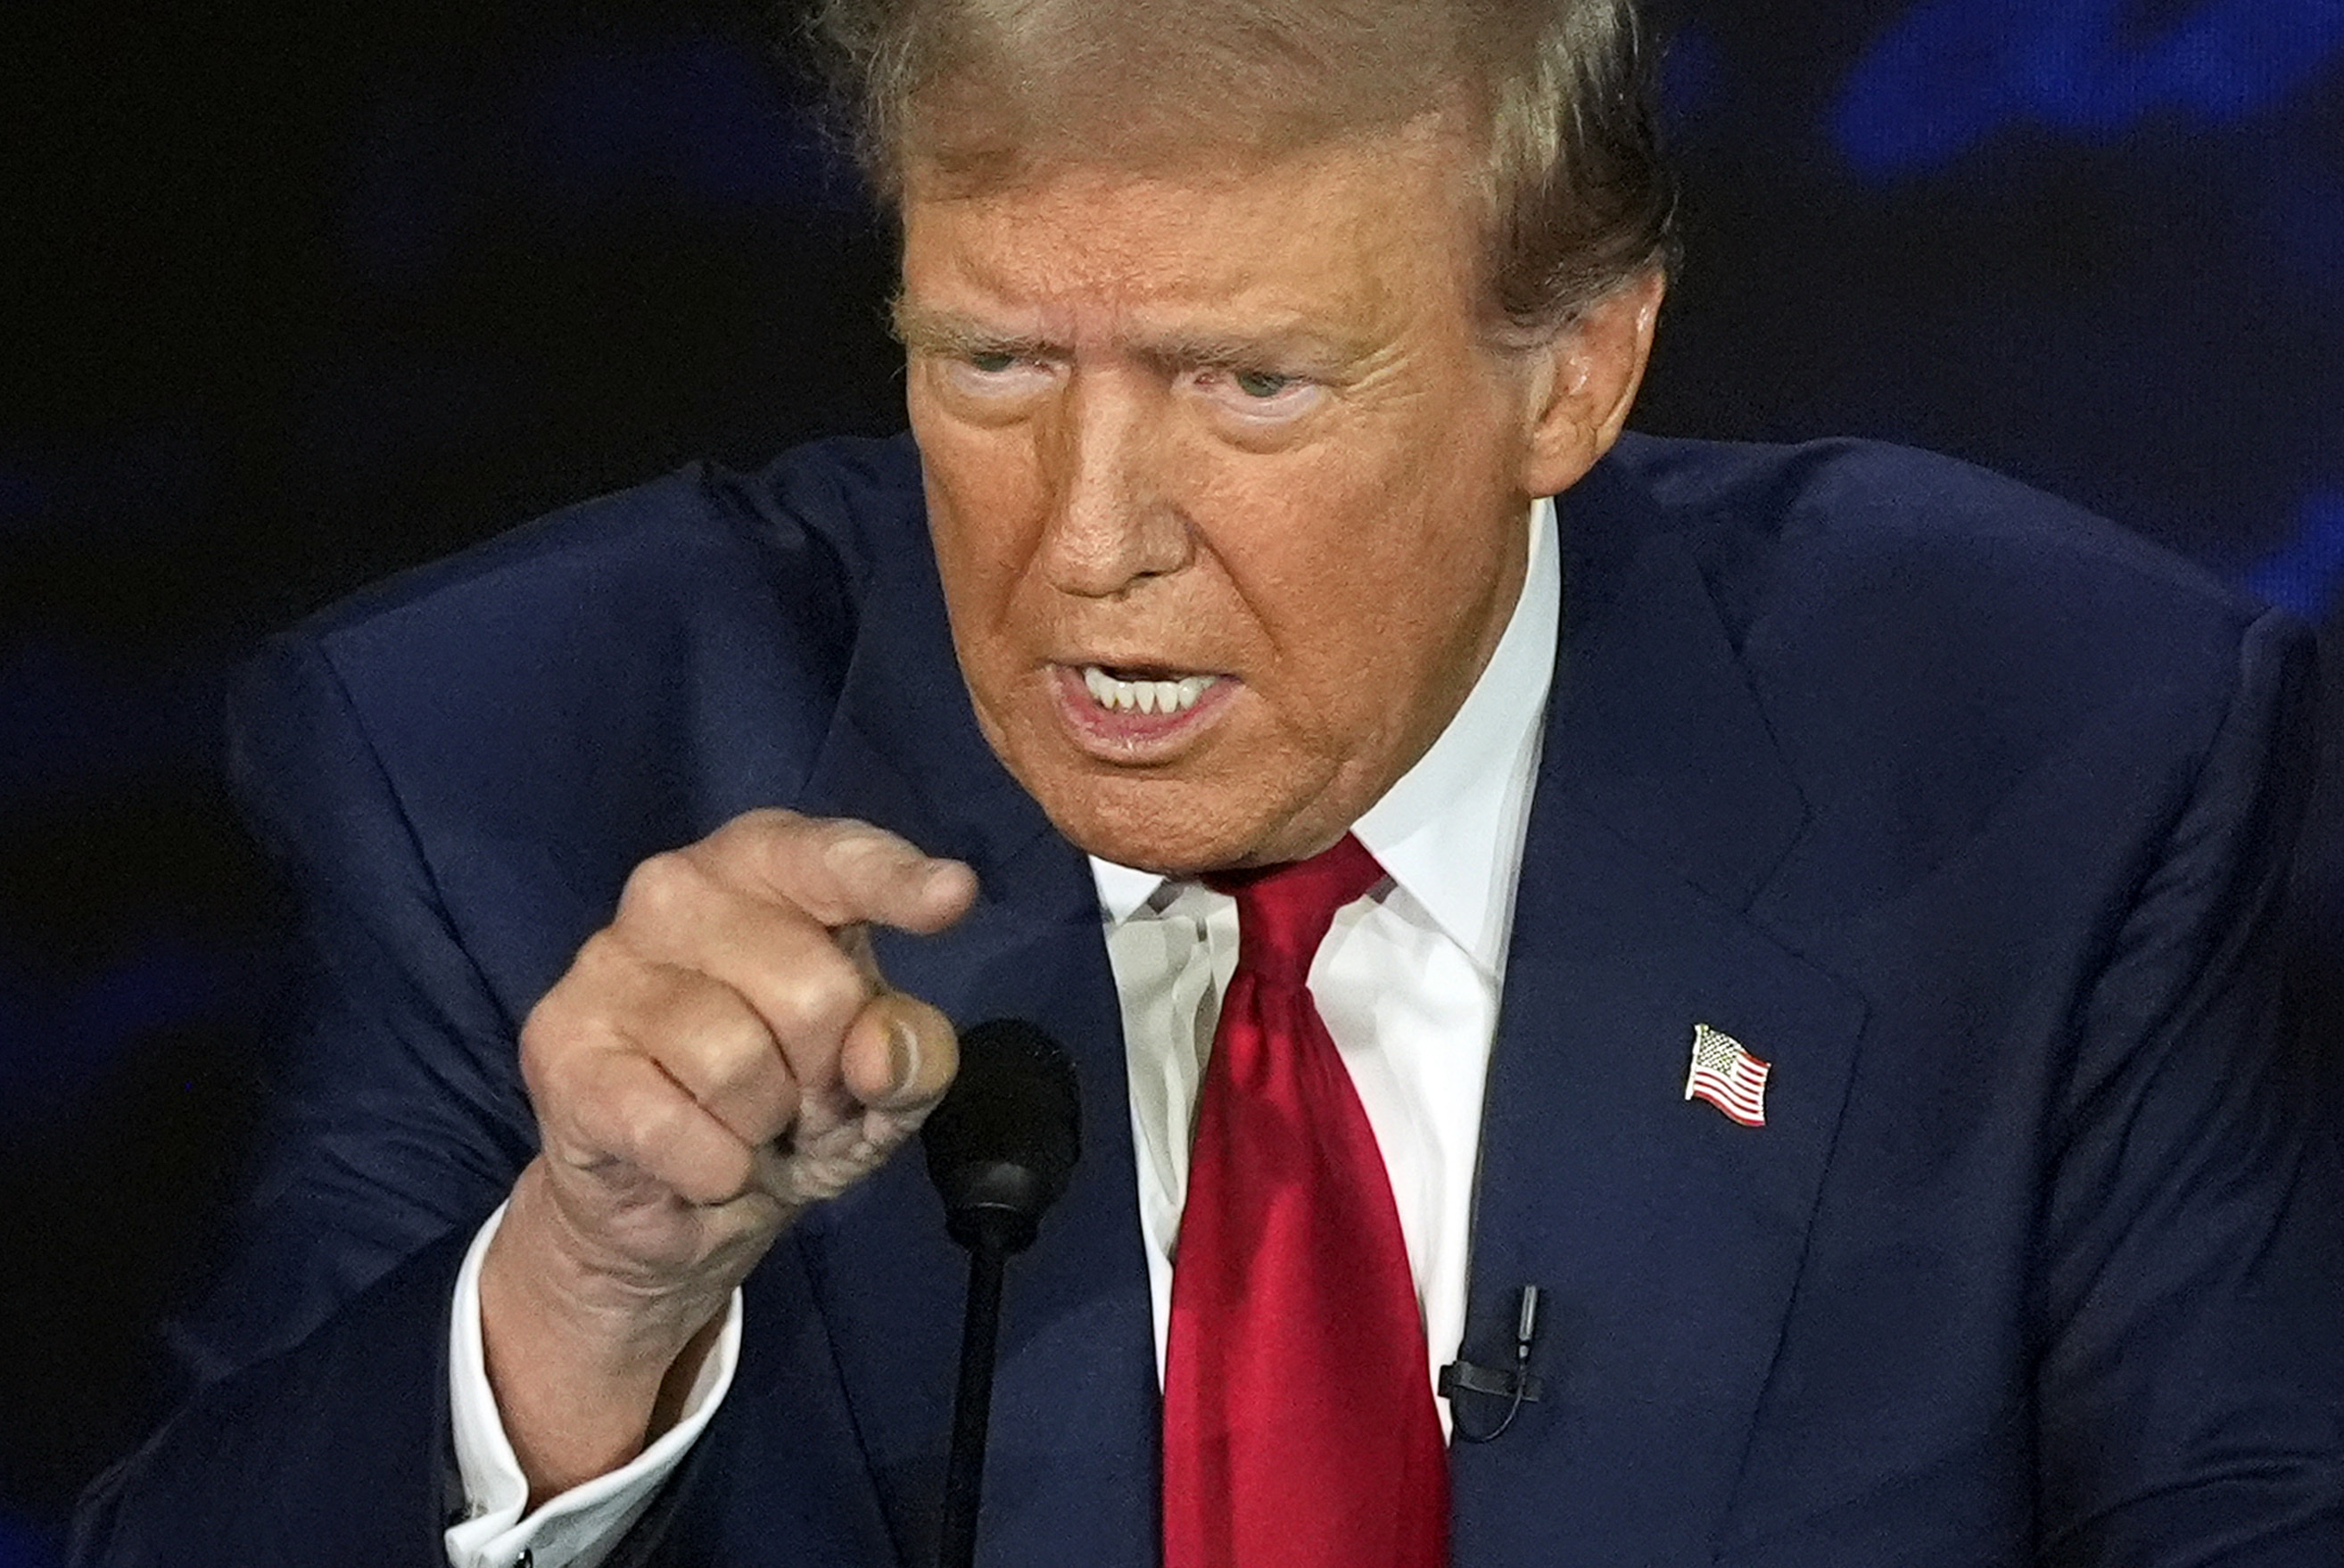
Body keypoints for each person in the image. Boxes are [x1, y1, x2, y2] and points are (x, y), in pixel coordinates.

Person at [73, 0, 2344, 1563]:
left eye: (1249, 382)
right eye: (989, 364)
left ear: (1574, 372)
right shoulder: (527, 773)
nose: (1087, 543)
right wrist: (584, 1295)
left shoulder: (2054, 764)